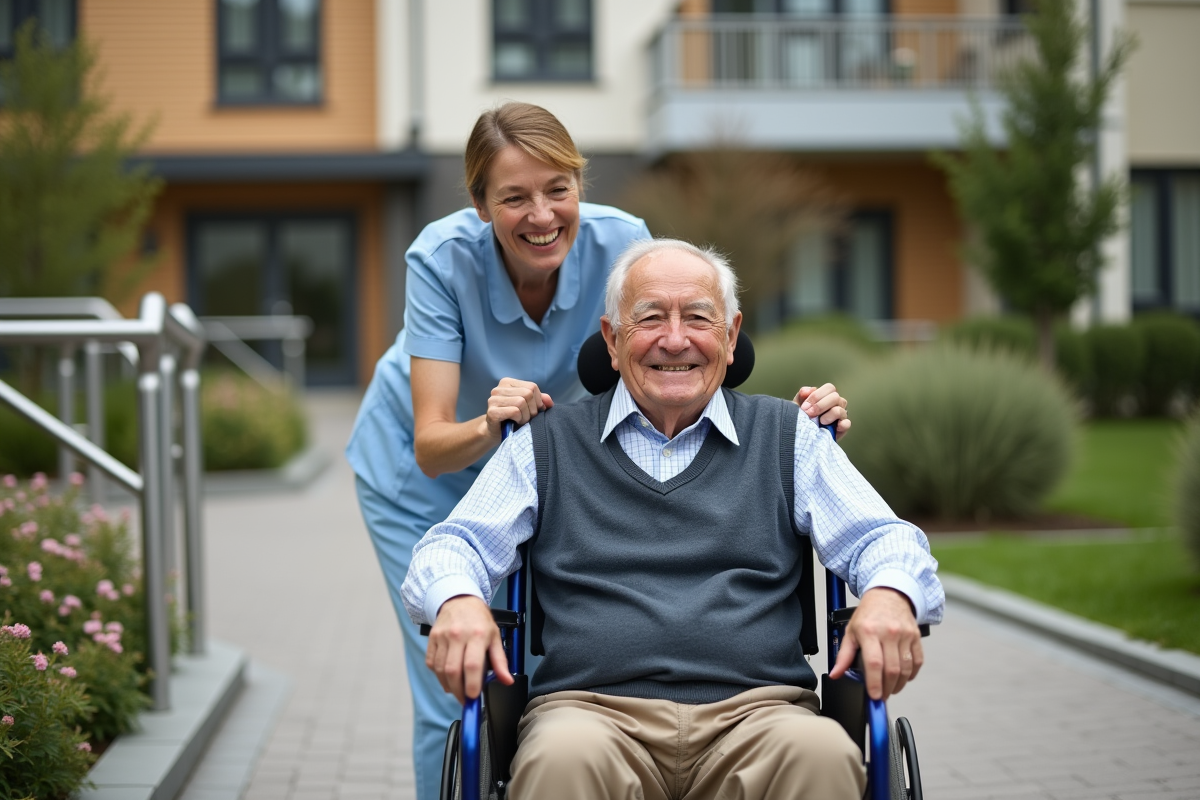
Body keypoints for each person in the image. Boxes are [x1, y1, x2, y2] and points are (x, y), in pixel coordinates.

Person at [346, 103, 852, 800]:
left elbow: (676, 355)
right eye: (514, 197)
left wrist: (795, 427)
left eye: (558, 188)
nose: (542, 214)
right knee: (467, 681)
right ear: (479, 203)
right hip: (428, 467)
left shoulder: (623, 243)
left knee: (530, 660)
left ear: (580, 184)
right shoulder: (442, 257)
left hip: (532, 444)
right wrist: (495, 434)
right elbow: (431, 446)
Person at [402, 238, 944, 800]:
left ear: (732, 337)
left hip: (760, 715)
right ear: (612, 341)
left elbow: (886, 537)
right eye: (651, 318)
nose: (676, 339)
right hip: (590, 717)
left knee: (825, 757)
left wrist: (888, 595)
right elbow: (451, 545)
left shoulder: (790, 436)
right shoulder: (545, 443)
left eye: (699, 318)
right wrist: (459, 601)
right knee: (558, 764)